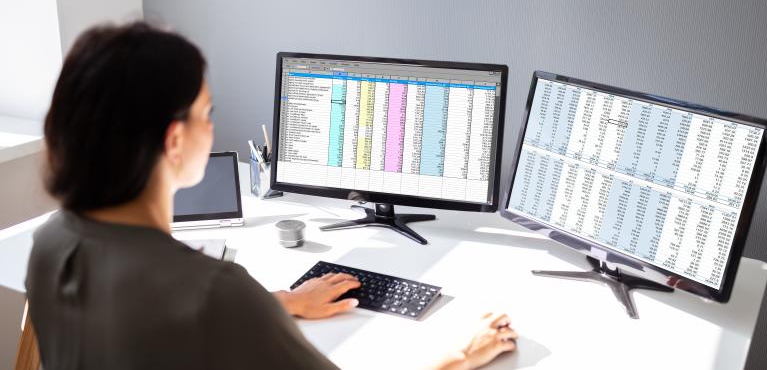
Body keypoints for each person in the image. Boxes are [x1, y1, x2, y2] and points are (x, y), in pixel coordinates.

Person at [25, 22, 518, 370]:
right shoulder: (217, 292)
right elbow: (201, 309)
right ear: (174, 140)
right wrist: (460, 352)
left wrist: (280, 303)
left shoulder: (50, 246)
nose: (213, 126)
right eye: (207, 111)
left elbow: (148, 332)